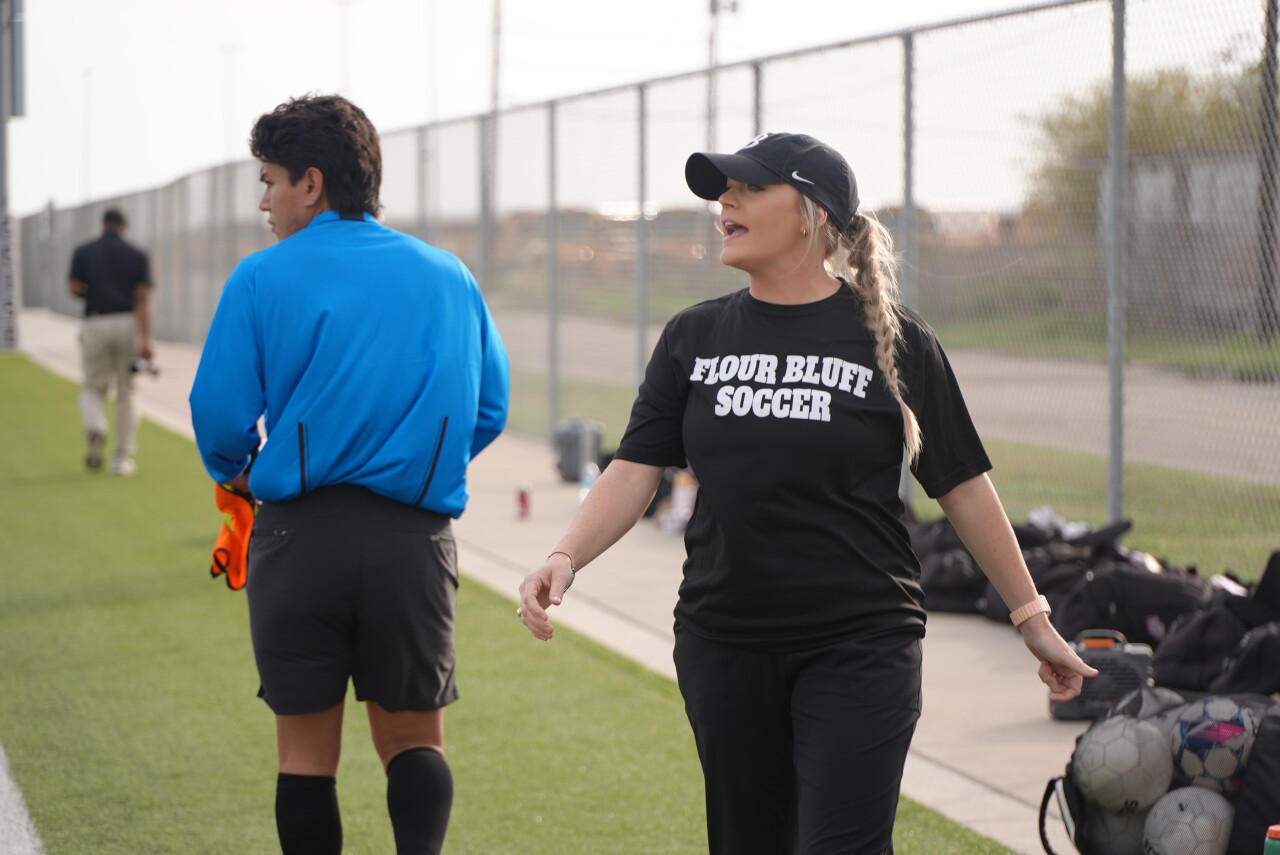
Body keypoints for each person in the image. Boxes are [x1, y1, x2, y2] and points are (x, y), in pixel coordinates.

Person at [517, 132, 1097, 855]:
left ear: (813, 215)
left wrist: (1031, 616)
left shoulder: (894, 339)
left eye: (750, 188)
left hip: (861, 642)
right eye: (723, 190)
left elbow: (963, 486)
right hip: (724, 642)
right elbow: (636, 468)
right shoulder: (694, 336)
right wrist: (565, 555)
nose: (726, 202)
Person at [189, 94, 510, 855]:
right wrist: (415, 461)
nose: (264, 201)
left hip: (299, 540)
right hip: (413, 541)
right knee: (415, 741)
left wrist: (239, 474)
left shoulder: (261, 277)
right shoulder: (448, 275)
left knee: (305, 756)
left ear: (311, 183)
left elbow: (220, 418)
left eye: (269, 181)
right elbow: (489, 407)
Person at [68, 208, 154, 476]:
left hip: (96, 321)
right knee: (127, 392)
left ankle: (96, 427)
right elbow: (142, 299)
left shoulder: (84, 251)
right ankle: (122, 458)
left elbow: (74, 288)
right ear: (125, 227)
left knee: (94, 387)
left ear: (103, 224)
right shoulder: (137, 254)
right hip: (128, 323)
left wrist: (91, 292)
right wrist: (145, 340)